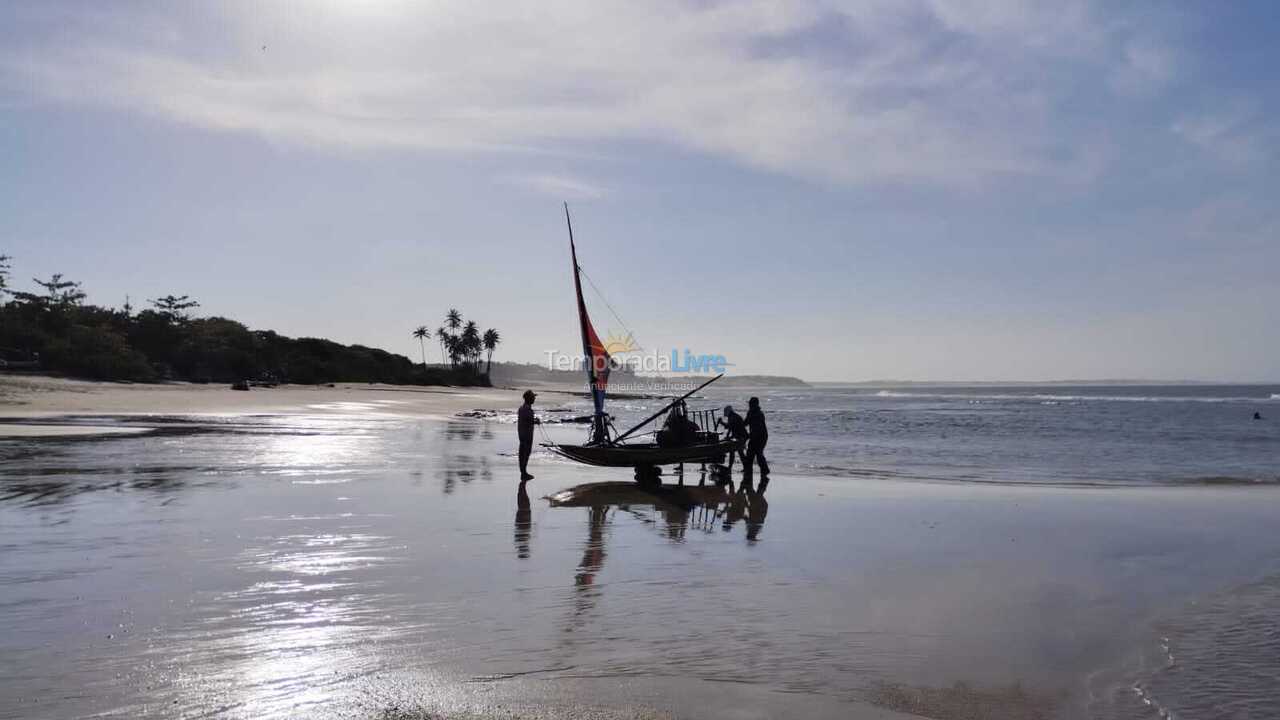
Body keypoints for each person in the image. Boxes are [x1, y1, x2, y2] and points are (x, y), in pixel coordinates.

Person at [716, 405, 749, 470]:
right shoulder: (732, 416)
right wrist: (728, 436)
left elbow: (729, 426)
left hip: (741, 436)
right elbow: (730, 428)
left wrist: (721, 422)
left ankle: (744, 467)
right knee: (736, 451)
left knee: (738, 451)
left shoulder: (733, 417)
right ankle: (743, 467)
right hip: (740, 436)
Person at [744, 396, 770, 476]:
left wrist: (748, 436)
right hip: (754, 436)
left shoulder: (759, 414)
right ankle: (748, 471)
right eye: (749, 404)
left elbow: (757, 428)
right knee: (750, 454)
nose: (749, 405)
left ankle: (765, 471)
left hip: (761, 436)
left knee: (758, 454)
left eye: (751, 404)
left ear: (755, 404)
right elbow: (745, 423)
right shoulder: (750, 412)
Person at [517, 390, 539, 480]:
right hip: (526, 434)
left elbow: (526, 420)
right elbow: (529, 421)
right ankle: (523, 473)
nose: (534, 399)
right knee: (525, 454)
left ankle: (523, 473)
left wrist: (534, 421)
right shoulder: (526, 409)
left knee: (524, 453)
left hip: (523, 433)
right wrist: (536, 421)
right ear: (529, 398)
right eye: (533, 397)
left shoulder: (523, 408)